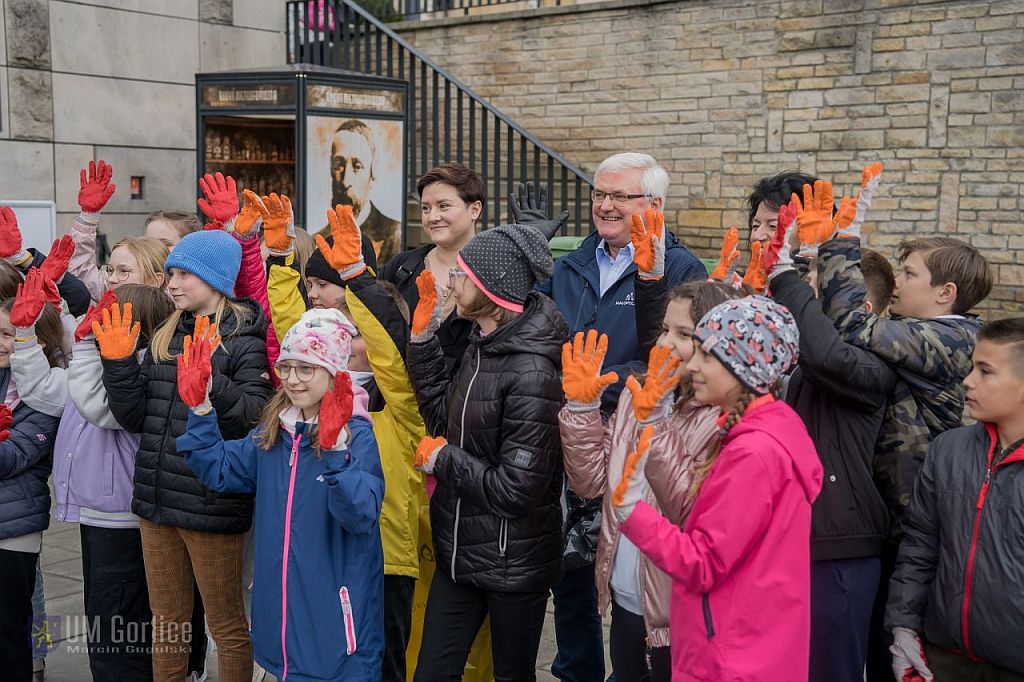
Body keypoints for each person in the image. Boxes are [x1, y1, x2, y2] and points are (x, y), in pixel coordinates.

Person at [815, 165, 994, 678]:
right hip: (890, 521)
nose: (896, 284)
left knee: (898, 657)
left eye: (910, 274)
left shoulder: (951, 340)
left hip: (915, 525)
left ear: (946, 293)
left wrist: (843, 241)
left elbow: (851, 324)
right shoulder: (918, 331)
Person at [535, 151, 705, 682]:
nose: (604, 205)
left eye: (619, 196)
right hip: (571, 428)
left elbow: (671, 355)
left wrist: (602, 388)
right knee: (571, 573)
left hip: (633, 434)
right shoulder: (571, 263)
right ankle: (578, 671)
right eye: (598, 194)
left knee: (627, 568)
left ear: (653, 204)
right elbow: (543, 335)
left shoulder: (680, 268)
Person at [96, 230, 274, 682]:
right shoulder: (165, 331)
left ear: (215, 279)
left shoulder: (243, 336)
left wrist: (213, 381)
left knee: (226, 625)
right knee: (167, 624)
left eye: (184, 274)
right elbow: (137, 416)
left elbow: (255, 416)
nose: (172, 283)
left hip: (210, 503)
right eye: (171, 273)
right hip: (157, 502)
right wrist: (118, 367)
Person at [614, 295, 822, 682]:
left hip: (730, 655)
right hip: (750, 644)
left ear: (746, 367)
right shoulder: (769, 430)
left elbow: (703, 563)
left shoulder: (753, 453)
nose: (691, 364)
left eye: (708, 356)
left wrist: (632, 514)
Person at [177, 307, 386, 681]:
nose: (293, 379)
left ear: (334, 372)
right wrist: (200, 409)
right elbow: (222, 470)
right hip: (281, 633)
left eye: (307, 368)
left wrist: (336, 452)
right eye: (286, 367)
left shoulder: (357, 434)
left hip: (336, 636)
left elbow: (361, 516)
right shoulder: (275, 432)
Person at [559, 281, 743, 682]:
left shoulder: (723, 419)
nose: (665, 344)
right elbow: (590, 482)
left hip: (679, 614)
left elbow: (688, 509)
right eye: (663, 330)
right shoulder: (635, 393)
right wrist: (581, 408)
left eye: (684, 335)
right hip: (625, 596)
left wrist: (656, 422)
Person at [406, 223, 566, 680]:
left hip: (512, 562)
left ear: (490, 289)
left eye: (461, 274)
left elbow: (516, 489)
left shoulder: (533, 372)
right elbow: (443, 422)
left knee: (511, 675)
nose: (450, 282)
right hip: (459, 553)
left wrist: (443, 460)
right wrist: (422, 343)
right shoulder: (482, 344)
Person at [762, 195, 898, 682]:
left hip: (840, 549)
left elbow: (822, 352)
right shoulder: (812, 355)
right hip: (798, 542)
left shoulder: (873, 366)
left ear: (860, 307)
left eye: (816, 289)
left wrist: (783, 273)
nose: (807, 300)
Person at [886, 317, 1024, 681]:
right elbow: (920, 545)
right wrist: (904, 627)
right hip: (943, 659)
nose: (968, 380)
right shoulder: (949, 450)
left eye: (986, 371)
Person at [53, 285, 174, 680]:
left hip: (120, 517)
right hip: (106, 515)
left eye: (111, 318)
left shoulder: (137, 369)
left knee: (117, 629)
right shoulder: (130, 363)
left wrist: (88, 348)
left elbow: (100, 407)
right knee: (110, 620)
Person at [0, 292, 63, 682]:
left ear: (36, 342)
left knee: (9, 634)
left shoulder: (46, 394)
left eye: (7, 334)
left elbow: (12, 458)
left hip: (13, 530)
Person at [379, 162, 482, 377]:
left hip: (467, 403)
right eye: (426, 208)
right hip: (399, 401)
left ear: (474, 209)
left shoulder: (494, 273)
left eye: (443, 206)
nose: (432, 217)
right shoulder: (399, 268)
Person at [322, 119, 401, 263]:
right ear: (330, 168)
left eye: (357, 166)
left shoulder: (394, 234)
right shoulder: (319, 240)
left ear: (373, 170)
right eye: (338, 165)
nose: (346, 181)